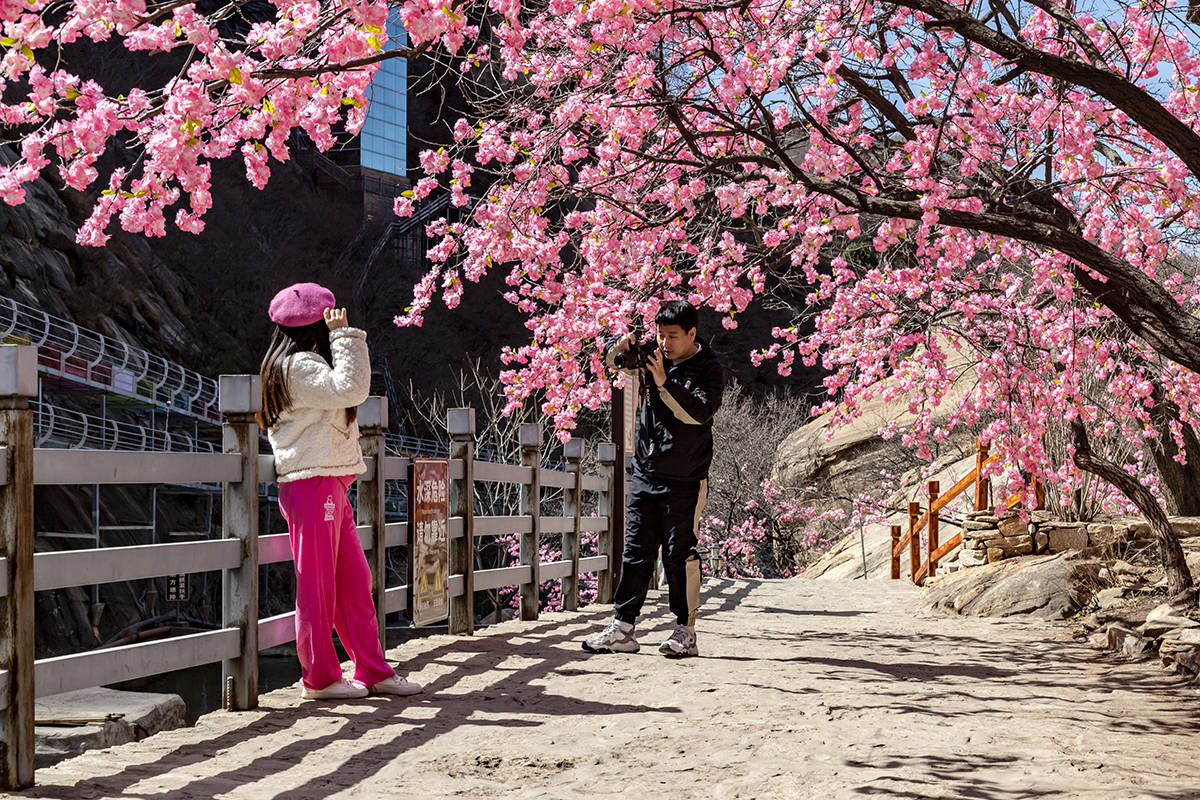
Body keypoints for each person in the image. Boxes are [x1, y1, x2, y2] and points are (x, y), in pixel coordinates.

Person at [259, 282, 422, 700]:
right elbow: (351, 389)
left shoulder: (292, 365)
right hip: (313, 484)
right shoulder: (300, 366)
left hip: (325, 483)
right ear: (317, 326)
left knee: (353, 580)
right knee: (317, 585)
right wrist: (345, 336)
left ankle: (372, 669)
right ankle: (320, 678)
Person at [583, 299, 724, 658]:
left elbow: (698, 414)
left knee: (680, 553)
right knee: (635, 551)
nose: (665, 343)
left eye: (673, 336)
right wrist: (620, 344)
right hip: (645, 471)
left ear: (692, 333)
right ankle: (623, 628)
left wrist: (664, 383)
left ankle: (685, 629)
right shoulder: (652, 358)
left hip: (686, 479)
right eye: (660, 335)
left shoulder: (708, 369)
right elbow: (614, 361)